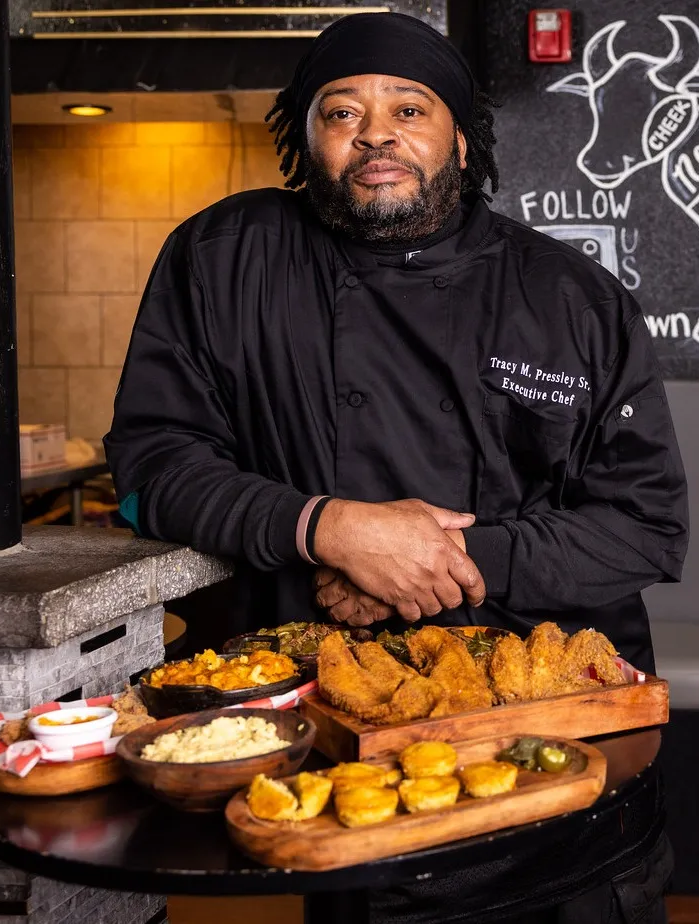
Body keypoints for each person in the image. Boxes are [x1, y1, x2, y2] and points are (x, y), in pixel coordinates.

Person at [105, 12, 687, 922]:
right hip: (354, 772)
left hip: (559, 747)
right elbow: (151, 467)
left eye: (408, 109)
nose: (374, 132)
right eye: (340, 112)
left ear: (459, 134)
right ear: (305, 140)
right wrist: (327, 528)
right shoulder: (226, 259)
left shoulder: (569, 297)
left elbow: (644, 525)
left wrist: (427, 565)